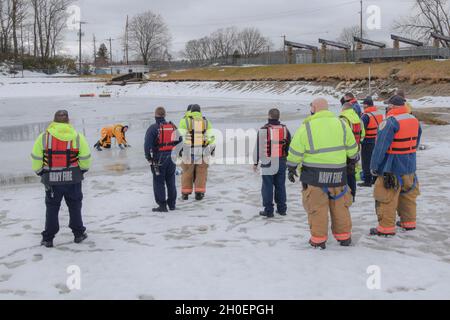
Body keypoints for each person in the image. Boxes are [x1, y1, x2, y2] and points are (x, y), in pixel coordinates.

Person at [287, 98, 358, 249]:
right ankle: (344, 237)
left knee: (317, 208)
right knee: (340, 207)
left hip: (314, 177)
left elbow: (295, 150)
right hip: (338, 175)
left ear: (313, 108)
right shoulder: (341, 124)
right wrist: (352, 161)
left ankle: (318, 240)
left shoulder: (307, 126)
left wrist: (291, 166)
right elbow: (352, 147)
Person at [31, 110, 91, 248]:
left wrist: (40, 172)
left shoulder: (44, 137)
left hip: (51, 180)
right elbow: (85, 157)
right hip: (73, 178)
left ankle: (48, 238)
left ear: (54, 121)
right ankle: (78, 233)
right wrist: (81, 170)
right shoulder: (77, 136)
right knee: (75, 206)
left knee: (52, 208)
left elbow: (36, 157)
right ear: (68, 120)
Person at [370, 95, 422, 236]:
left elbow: (380, 148)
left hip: (390, 167)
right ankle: (409, 222)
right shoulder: (414, 119)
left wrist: (374, 167)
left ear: (392, 107)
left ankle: (386, 228)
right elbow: (416, 141)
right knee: (408, 196)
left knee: (387, 197)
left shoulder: (390, 122)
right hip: (410, 165)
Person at [253, 108, 291, 218]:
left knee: (267, 186)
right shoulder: (285, 129)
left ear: (269, 116)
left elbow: (258, 148)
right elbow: (288, 145)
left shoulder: (263, 130)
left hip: (268, 161)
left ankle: (269, 210)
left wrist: (255, 163)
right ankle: (282, 209)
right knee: (280, 185)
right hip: (281, 160)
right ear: (278, 117)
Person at [144, 107, 181, 213]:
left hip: (159, 158)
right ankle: (172, 205)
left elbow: (147, 145)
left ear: (155, 115)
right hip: (172, 157)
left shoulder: (153, 128)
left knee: (159, 182)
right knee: (171, 181)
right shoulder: (172, 127)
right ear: (165, 115)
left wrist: (148, 157)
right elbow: (180, 140)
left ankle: (162, 206)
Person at [178, 104, 215, 201]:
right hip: (203, 151)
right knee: (201, 172)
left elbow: (179, 137)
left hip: (188, 151)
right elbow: (211, 137)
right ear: (200, 111)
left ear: (191, 111)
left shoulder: (185, 120)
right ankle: (199, 193)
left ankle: (185, 194)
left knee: (187, 172)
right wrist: (212, 149)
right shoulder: (206, 122)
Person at [339, 102, 365, 201]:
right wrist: (357, 144)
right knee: (352, 173)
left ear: (343, 109)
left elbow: (340, 135)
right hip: (356, 149)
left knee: (344, 174)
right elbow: (363, 134)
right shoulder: (358, 119)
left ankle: (346, 195)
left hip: (345, 151)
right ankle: (353, 195)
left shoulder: (342, 119)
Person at [359, 97, 384, 187]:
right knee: (375, 160)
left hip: (367, 141)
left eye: (363, 105)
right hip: (377, 140)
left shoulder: (366, 116)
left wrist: (359, 141)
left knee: (366, 162)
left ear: (366, 105)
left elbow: (362, 130)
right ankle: (375, 178)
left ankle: (367, 180)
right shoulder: (379, 113)